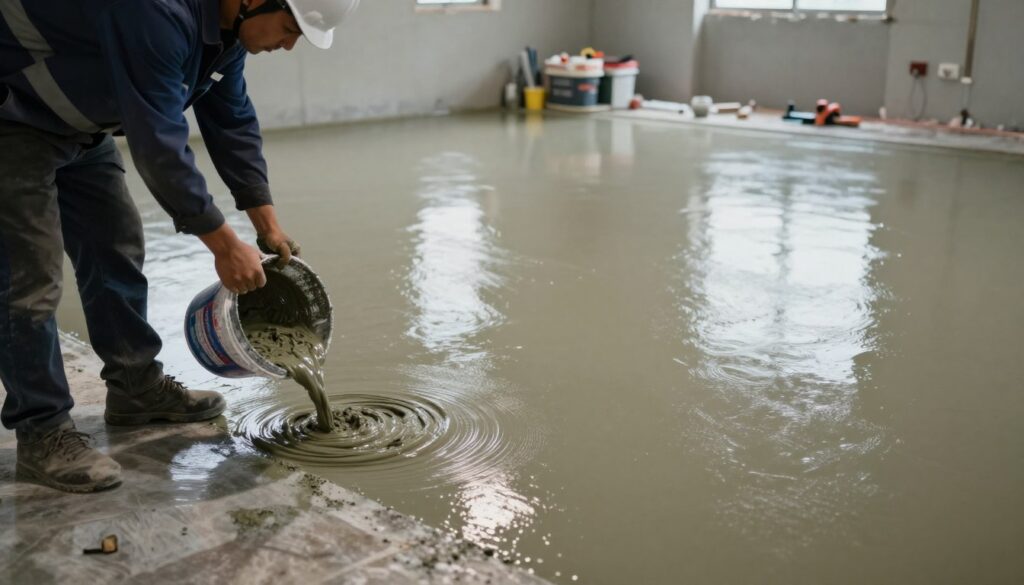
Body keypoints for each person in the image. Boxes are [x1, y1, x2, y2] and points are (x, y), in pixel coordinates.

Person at [0, 0, 358, 493]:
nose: (289, 44)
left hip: (81, 127)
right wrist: (223, 244)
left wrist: (267, 225)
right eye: (291, 28)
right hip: (14, 116)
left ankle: (135, 388)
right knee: (29, 280)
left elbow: (231, 119)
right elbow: (158, 144)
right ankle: (42, 430)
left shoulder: (225, 36)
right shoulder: (155, 11)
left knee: (117, 251)